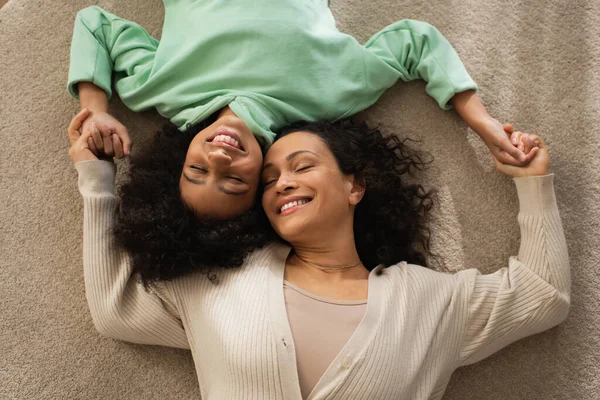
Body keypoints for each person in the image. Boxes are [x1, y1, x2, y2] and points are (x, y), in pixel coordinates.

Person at [67, 108, 570, 399]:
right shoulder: (221, 282)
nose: (283, 181)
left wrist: (533, 185)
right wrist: (97, 181)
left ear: (355, 186)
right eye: (267, 180)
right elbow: (116, 310)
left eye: (302, 166)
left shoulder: (429, 302)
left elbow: (542, 295)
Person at [68, 3, 533, 219]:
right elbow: (415, 41)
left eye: (196, 170)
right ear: (264, 174)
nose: (219, 159)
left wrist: (96, 108)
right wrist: (483, 122)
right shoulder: (327, 99)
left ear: (180, 157)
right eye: (234, 180)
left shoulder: (163, 92)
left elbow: (95, 23)